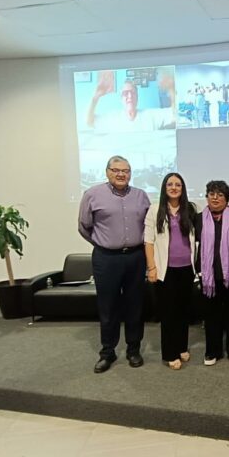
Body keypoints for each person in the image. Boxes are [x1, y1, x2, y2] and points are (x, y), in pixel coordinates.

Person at [78, 156, 150, 373]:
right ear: (107, 172)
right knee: (108, 306)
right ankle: (107, 352)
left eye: (126, 171)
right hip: (106, 258)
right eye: (116, 170)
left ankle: (133, 350)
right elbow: (84, 226)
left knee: (135, 305)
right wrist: (103, 244)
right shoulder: (92, 195)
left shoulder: (141, 196)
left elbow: (149, 226)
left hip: (136, 257)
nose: (121, 174)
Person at [144, 173, 197, 370]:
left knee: (183, 311)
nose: (174, 187)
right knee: (169, 314)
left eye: (178, 184)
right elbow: (148, 241)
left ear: (183, 188)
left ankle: (182, 347)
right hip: (165, 270)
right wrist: (151, 267)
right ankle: (170, 353)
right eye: (170, 184)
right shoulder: (155, 209)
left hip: (186, 269)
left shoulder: (190, 209)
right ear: (164, 188)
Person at [194, 180, 229, 365]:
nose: (215, 198)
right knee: (211, 315)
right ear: (207, 196)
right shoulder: (198, 218)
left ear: (227, 199)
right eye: (211, 194)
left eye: (220, 194)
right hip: (209, 276)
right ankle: (212, 351)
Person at [86, 73, 175, 132]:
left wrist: (171, 89)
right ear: (121, 99)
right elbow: (89, 122)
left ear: (137, 97)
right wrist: (95, 97)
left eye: (132, 92)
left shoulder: (150, 115)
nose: (130, 96)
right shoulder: (112, 119)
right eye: (125, 93)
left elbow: (176, 113)